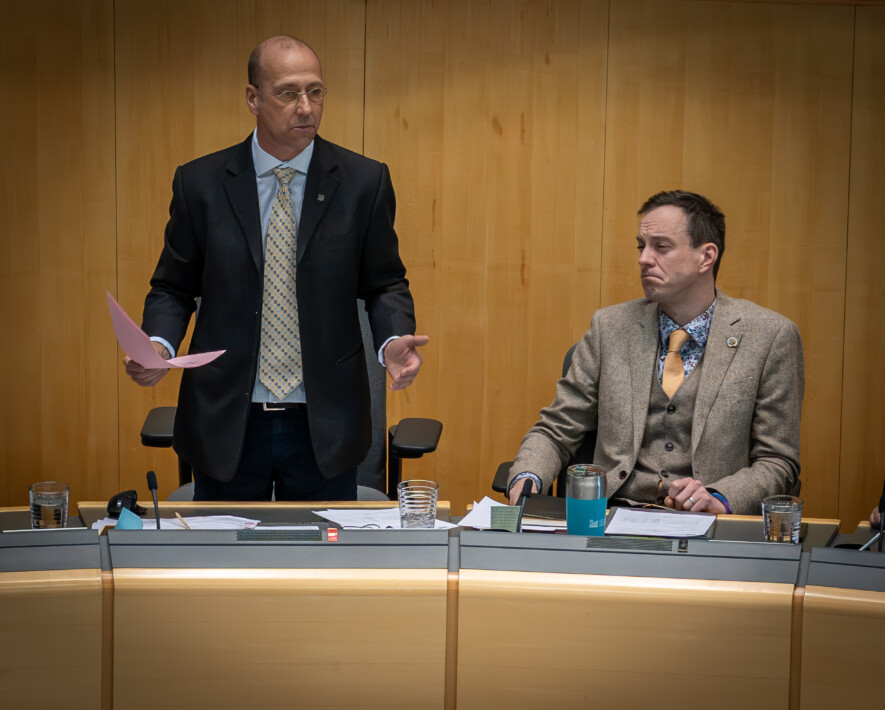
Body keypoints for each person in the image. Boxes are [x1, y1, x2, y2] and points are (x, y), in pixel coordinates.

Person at [125, 35, 427, 501]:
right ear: (253, 98)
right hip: (228, 417)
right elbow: (173, 285)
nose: (305, 107)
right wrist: (159, 344)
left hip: (324, 422)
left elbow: (385, 282)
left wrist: (392, 339)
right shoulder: (200, 184)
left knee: (323, 572)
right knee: (224, 568)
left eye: (316, 91)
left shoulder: (364, 182)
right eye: (288, 92)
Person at [507, 190, 804, 515]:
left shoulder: (769, 337)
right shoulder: (611, 327)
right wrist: (528, 476)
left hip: (707, 525)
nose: (644, 259)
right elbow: (557, 428)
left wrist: (719, 497)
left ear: (706, 257)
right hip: (609, 517)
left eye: (661, 247)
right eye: (642, 246)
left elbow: (778, 461)